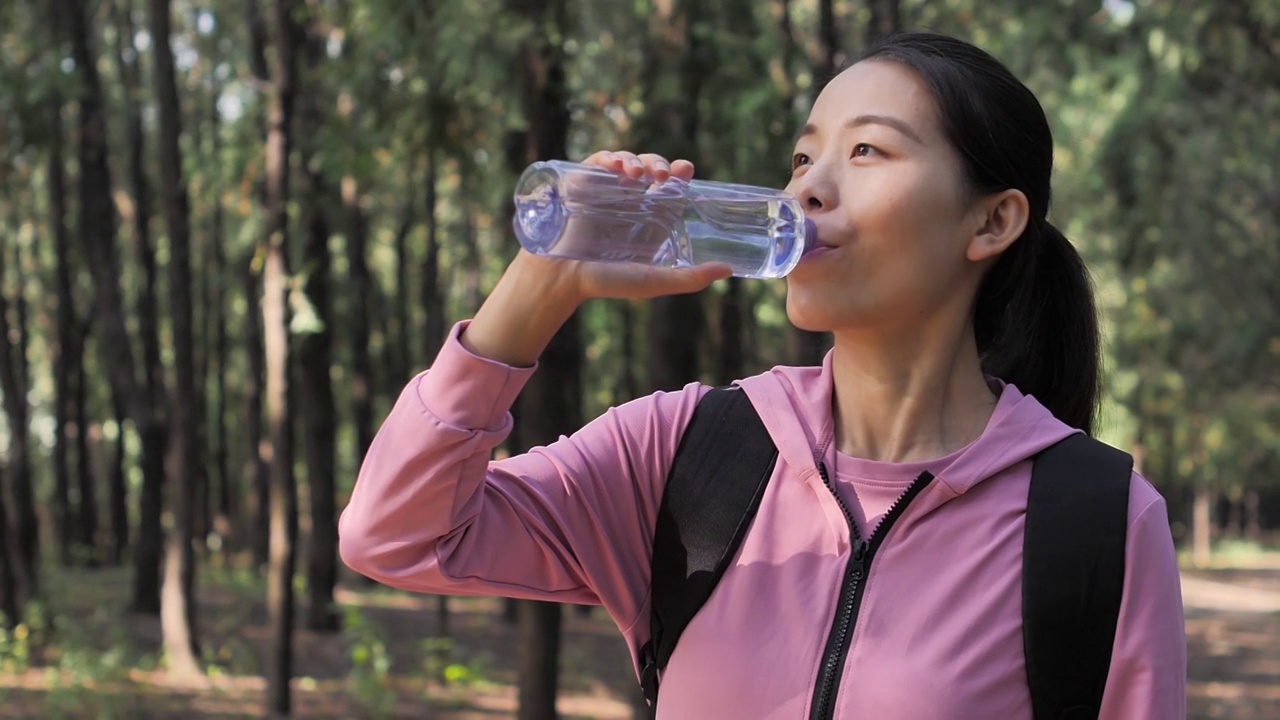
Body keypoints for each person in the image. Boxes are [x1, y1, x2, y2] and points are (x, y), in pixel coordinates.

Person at [339, 31, 1186, 719]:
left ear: (992, 220)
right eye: (801, 158)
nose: (809, 189)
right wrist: (541, 284)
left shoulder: (1097, 522)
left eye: (866, 151)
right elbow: (396, 536)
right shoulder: (687, 452)